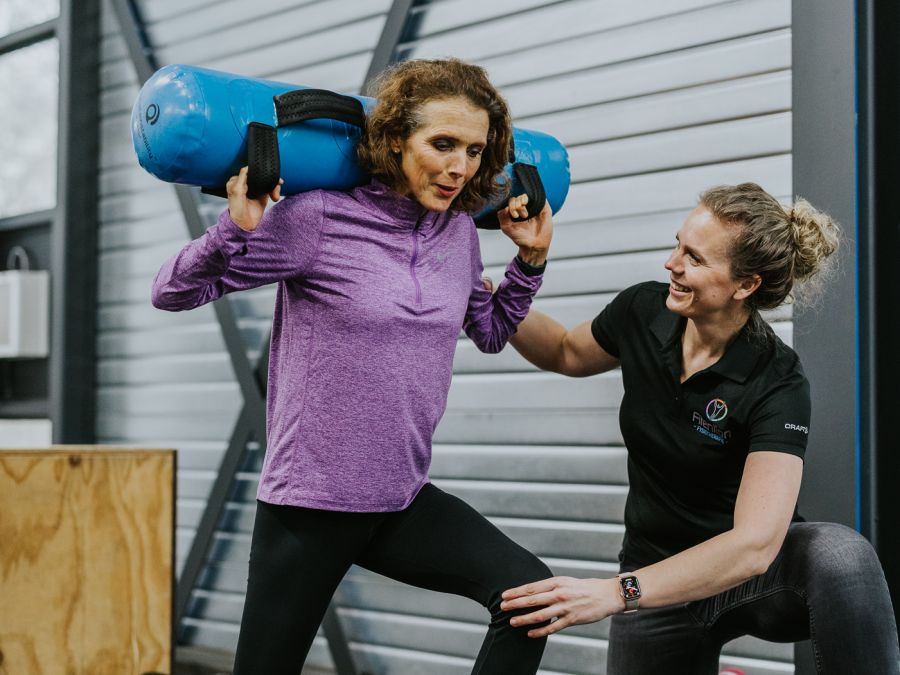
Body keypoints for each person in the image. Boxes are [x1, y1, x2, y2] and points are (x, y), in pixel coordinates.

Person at [151, 58, 554, 674]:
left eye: (474, 151)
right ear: (395, 141)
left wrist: (529, 263)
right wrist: (233, 229)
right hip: (309, 506)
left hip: (400, 499)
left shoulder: (458, 235)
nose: (459, 168)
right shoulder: (318, 219)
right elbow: (171, 292)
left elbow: (492, 332)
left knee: (530, 596)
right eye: (442, 144)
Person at [498, 183, 900, 674]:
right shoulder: (643, 311)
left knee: (840, 555)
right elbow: (564, 350)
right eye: (678, 245)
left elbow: (754, 546)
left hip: (752, 579)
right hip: (658, 576)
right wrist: (490, 299)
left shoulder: (777, 378)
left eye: (694, 258)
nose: (671, 263)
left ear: (745, 285)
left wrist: (616, 592)